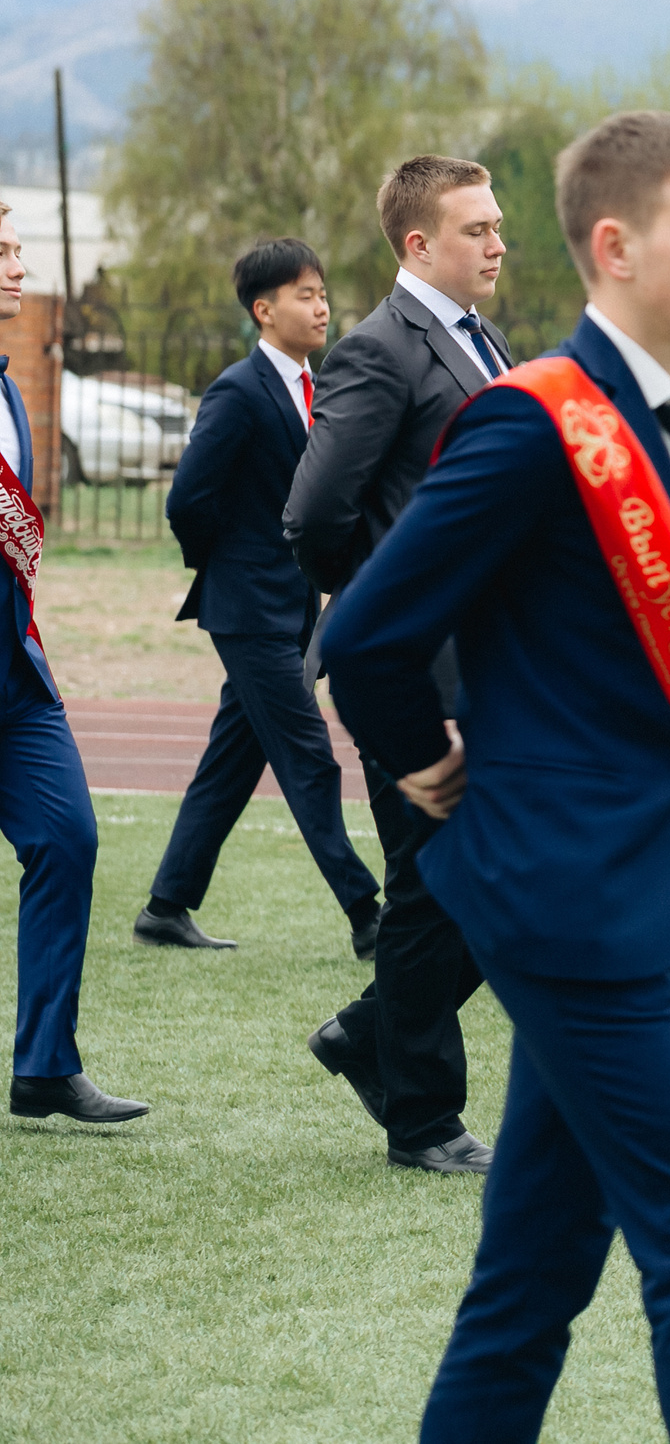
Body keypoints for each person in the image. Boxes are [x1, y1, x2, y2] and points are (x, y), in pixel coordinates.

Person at [324, 111, 670, 1441]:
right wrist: (428, 764)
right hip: (561, 898)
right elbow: (367, 636)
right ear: (618, 246)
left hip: (658, 887)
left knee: (533, 1271)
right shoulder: (530, 425)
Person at [288, 156, 513, 1174]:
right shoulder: (380, 351)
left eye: (498, 225)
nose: (497, 243)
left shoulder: (481, 339)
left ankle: (366, 1034)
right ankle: (422, 1118)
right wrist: (386, 607)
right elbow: (313, 514)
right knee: (440, 886)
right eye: (476, 229)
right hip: (412, 671)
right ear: (418, 244)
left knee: (481, 881)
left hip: (488, 663)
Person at [139, 239, 381, 956]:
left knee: (234, 758)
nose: (322, 305)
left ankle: (165, 904)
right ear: (263, 309)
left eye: (323, 292)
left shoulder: (316, 386)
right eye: (305, 294)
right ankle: (370, 914)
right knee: (309, 755)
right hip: (248, 609)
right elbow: (189, 500)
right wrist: (227, 567)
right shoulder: (239, 391)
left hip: (294, 605)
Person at [0, 203, 147, 1126]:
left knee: (68, 839)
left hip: (17, 679)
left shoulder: (10, 387)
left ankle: (45, 1066)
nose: (20, 265)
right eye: (4, 250)